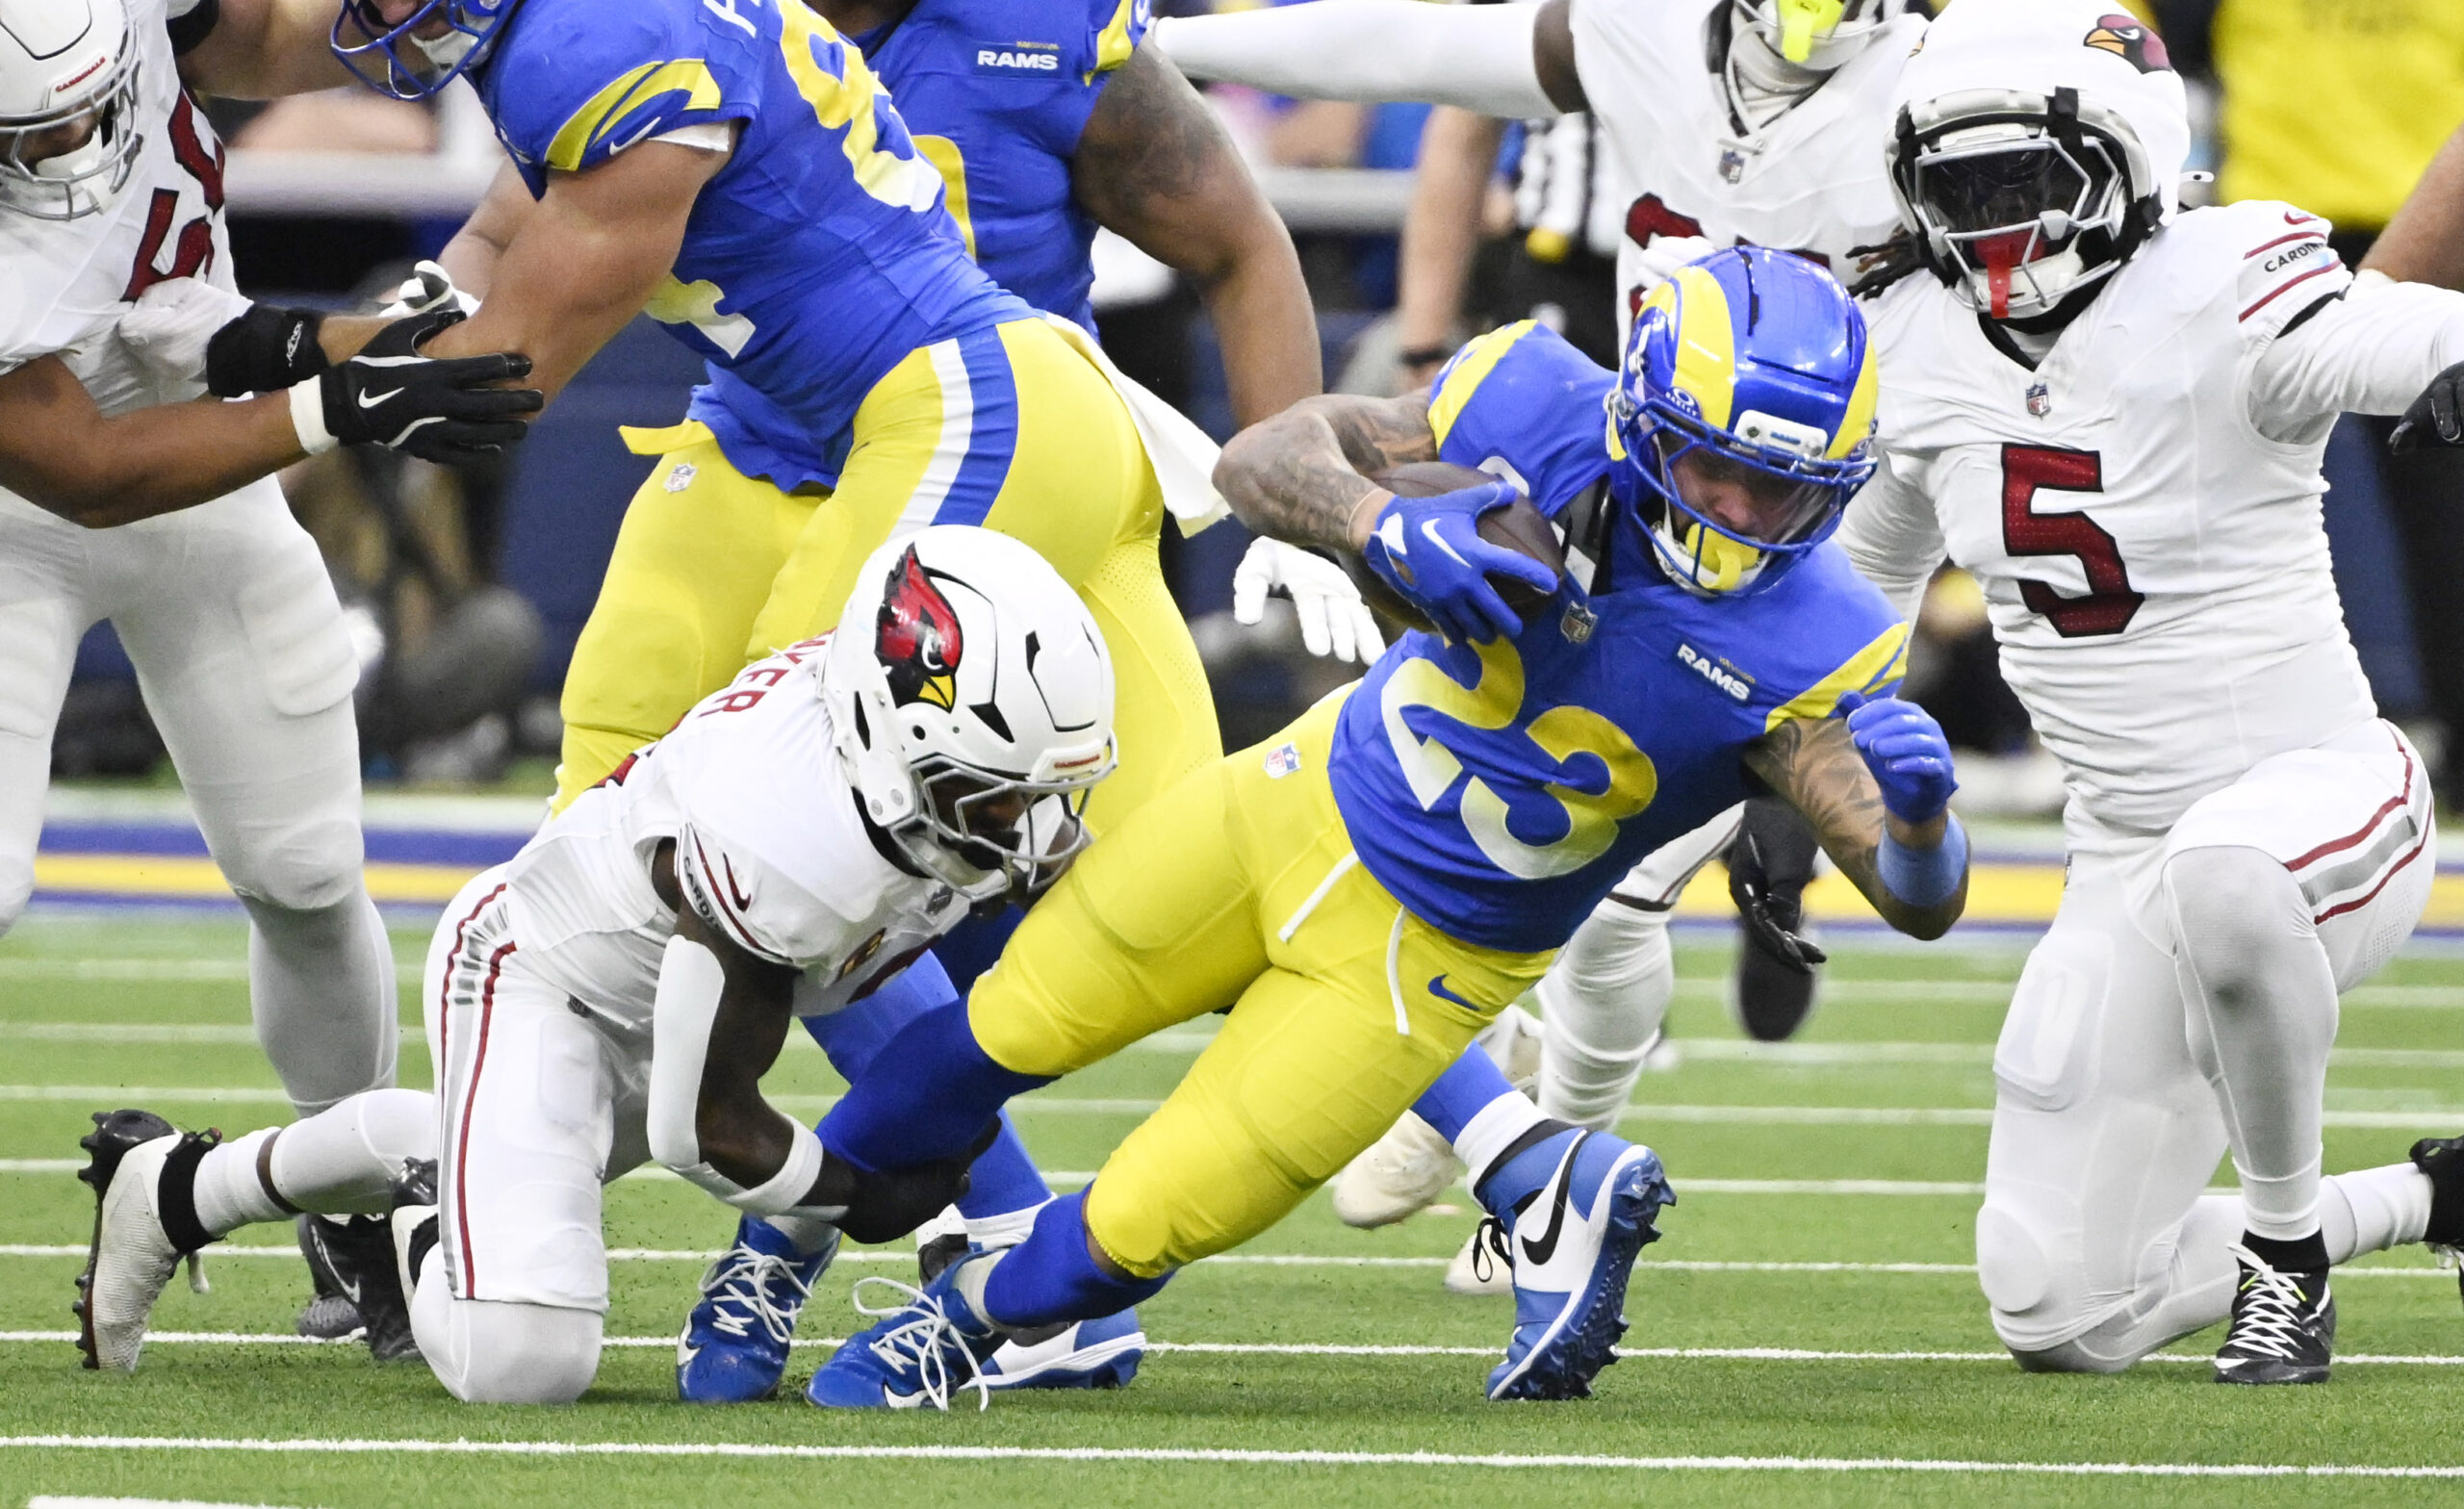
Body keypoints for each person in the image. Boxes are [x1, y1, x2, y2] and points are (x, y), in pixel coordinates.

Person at [324, 0, 1355, 1397]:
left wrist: (228, 394)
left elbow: (496, 373)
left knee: (877, 849)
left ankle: (957, 1239)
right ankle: (333, 1183)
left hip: (965, 420)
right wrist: (387, 325)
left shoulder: (630, 37)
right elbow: (505, 240)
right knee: (624, 888)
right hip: (817, 442)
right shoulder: (613, 35)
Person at [795, 247, 1970, 1409]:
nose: (1746, 514)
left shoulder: (1818, 639)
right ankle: (769, 1249)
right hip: (1287, 804)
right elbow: (1262, 456)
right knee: (992, 1030)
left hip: (1420, 965)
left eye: (1790, 488)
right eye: (1718, 470)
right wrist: (1371, 523)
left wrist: (1920, 822)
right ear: (1642, 417)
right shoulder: (1530, 396)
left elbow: (1917, 896)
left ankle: (956, 1325)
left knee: (1147, 1213)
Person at [1157, 0, 1935, 1260]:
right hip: (1635, 471)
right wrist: (1161, 39)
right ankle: (1525, 1134)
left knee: (1627, 875)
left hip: (1815, 522)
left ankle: (1543, 1168)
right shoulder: (1641, 33)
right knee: (1510, 808)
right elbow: (1418, 57)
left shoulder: (1940, 82)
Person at [73, 527, 1116, 1403]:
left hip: (658, 986)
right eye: (996, 797)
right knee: (526, 1359)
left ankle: (170, 1187)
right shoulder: (787, 838)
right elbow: (700, 1127)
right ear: (896, 743)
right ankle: (421, 1210)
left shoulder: (891, 770)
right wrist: (861, 1199)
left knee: (512, 1143)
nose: (1030, 831)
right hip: (544, 979)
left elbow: (905, 1007)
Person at [1838, 0, 2464, 1385]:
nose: (1992, 222)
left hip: (2326, 805)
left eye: (2021, 182)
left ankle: (2285, 1263)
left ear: (2119, 152)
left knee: (2227, 875)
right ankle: (2433, 1199)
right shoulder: (1914, 343)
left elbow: (2391, 330)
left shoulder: (2232, 273)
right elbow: (1856, 601)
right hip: (2119, 854)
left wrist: (2449, 358)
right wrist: (1792, 780)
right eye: (1959, 186)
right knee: (2065, 1313)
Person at [0, 0, 543, 1360]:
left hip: (200, 479)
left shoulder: (135, 13)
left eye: (74, 111)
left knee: (305, 876)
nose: (63, 145)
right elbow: (84, 468)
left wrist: (447, 35)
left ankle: (346, 1187)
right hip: (28, 512)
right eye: (25, 135)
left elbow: (286, 42)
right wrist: (324, 401)